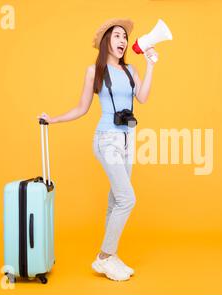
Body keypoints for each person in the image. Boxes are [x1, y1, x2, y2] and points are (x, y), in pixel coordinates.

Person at [36, 18, 157, 281]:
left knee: (116, 199)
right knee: (127, 199)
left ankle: (110, 257)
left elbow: (143, 98)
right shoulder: (95, 71)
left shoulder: (131, 71)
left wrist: (150, 66)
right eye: (116, 36)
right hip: (107, 140)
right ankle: (104, 257)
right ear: (106, 42)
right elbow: (82, 108)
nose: (122, 40)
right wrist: (53, 119)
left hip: (127, 140)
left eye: (124, 36)